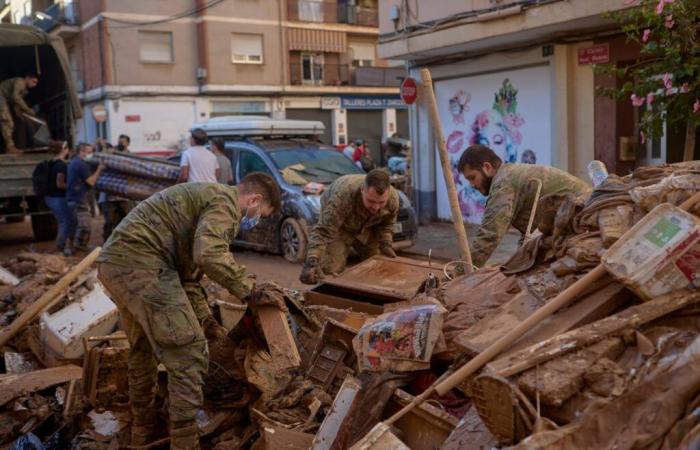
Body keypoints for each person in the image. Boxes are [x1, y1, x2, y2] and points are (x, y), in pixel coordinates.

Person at [96, 173, 281, 449]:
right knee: (189, 352)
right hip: (143, 266)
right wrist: (248, 290)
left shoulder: (207, 197)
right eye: (261, 213)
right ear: (254, 199)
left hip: (117, 263)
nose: (256, 220)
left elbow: (188, 274)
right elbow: (208, 255)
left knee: (143, 349)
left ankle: (142, 432)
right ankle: (185, 442)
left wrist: (205, 319)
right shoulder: (227, 204)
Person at [457, 144, 590, 267]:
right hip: (580, 218)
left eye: (472, 177)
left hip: (585, 221)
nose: (472, 185)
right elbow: (529, 233)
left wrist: (456, 275)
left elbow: (488, 237)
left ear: (487, 167)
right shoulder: (511, 175)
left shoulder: (504, 184)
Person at [300, 169, 399, 284]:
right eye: (371, 201)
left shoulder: (392, 200)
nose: (376, 207)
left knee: (375, 264)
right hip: (339, 226)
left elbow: (387, 224)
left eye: (381, 202)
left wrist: (386, 243)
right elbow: (323, 231)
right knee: (330, 268)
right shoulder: (342, 197)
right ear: (362, 189)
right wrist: (312, 259)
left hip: (368, 227)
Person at [66, 143, 104, 251]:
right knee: (85, 225)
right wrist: (99, 170)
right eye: (89, 152)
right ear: (82, 152)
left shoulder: (74, 162)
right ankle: (80, 247)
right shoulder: (80, 165)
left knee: (77, 224)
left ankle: (76, 246)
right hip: (79, 197)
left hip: (74, 196)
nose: (91, 154)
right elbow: (91, 182)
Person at [98, 134, 133, 242]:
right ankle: (106, 245)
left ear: (127, 143)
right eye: (119, 141)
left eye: (122, 142)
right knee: (109, 222)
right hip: (109, 198)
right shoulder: (110, 156)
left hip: (124, 197)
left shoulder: (131, 157)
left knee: (125, 221)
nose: (120, 144)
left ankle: (122, 243)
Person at [42, 141, 71, 255]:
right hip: (57, 198)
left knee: (62, 221)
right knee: (64, 222)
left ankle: (61, 246)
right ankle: (60, 247)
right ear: (64, 150)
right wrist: (73, 186)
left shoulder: (51, 162)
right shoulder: (61, 165)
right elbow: (60, 184)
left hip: (49, 197)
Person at [0, 73, 39, 154]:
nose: (34, 85)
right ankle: (10, 148)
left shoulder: (23, 90)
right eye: (33, 82)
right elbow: (16, 98)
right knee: (8, 122)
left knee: (9, 122)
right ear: (27, 78)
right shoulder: (20, 82)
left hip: (4, 99)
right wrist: (28, 110)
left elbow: (16, 105)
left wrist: (20, 115)